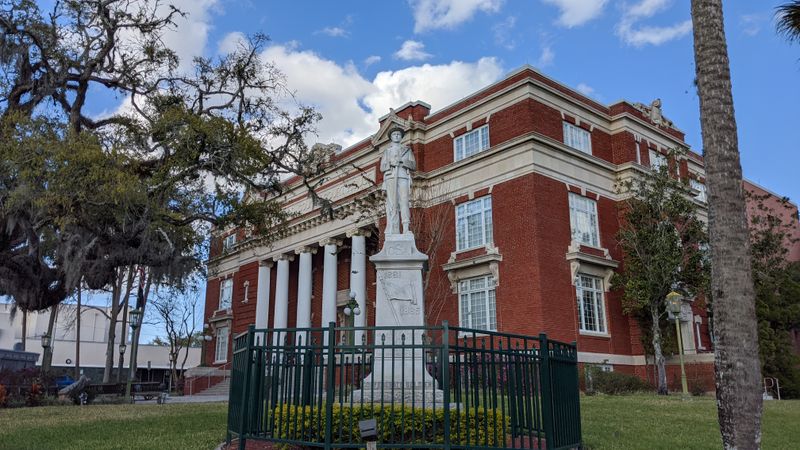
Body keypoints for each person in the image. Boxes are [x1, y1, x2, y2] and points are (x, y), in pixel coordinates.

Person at [380, 127, 416, 234]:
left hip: (403, 176)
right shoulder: (387, 151)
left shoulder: (407, 150)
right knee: (392, 203)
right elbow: (382, 167)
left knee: (404, 201)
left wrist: (402, 162)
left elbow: (413, 165)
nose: (396, 136)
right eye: (394, 134)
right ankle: (394, 228)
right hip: (391, 177)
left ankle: (405, 227)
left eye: (398, 134)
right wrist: (390, 163)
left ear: (401, 137)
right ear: (391, 137)